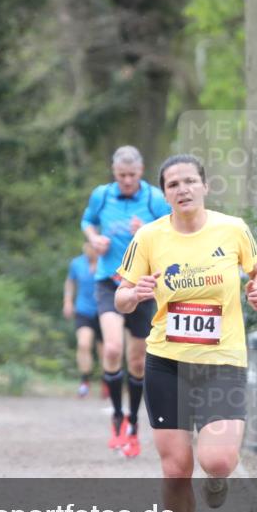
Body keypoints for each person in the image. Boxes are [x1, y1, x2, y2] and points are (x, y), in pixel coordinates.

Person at [115, 154, 257, 512]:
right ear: (163, 193)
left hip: (221, 361)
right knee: (176, 467)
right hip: (167, 363)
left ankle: (218, 480)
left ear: (204, 185)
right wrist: (135, 294)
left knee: (217, 461)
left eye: (189, 181)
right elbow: (121, 296)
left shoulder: (233, 228)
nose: (182, 189)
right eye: (172, 185)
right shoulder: (149, 237)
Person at [81, 146, 171, 458]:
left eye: (132, 175)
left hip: (144, 284)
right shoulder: (102, 195)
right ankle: (117, 418)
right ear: (114, 171)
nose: (127, 181)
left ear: (142, 170)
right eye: (122, 176)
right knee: (112, 348)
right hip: (109, 278)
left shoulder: (154, 199)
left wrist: (146, 231)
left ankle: (133, 422)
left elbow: (173, 231)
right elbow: (87, 222)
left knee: (136, 361)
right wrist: (94, 239)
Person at [63, 242, 104, 397]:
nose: (89, 250)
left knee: (104, 351)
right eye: (87, 246)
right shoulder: (77, 263)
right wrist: (67, 301)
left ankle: (106, 380)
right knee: (83, 343)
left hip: (103, 311)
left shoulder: (106, 262)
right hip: (83, 309)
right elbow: (70, 282)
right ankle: (85, 381)